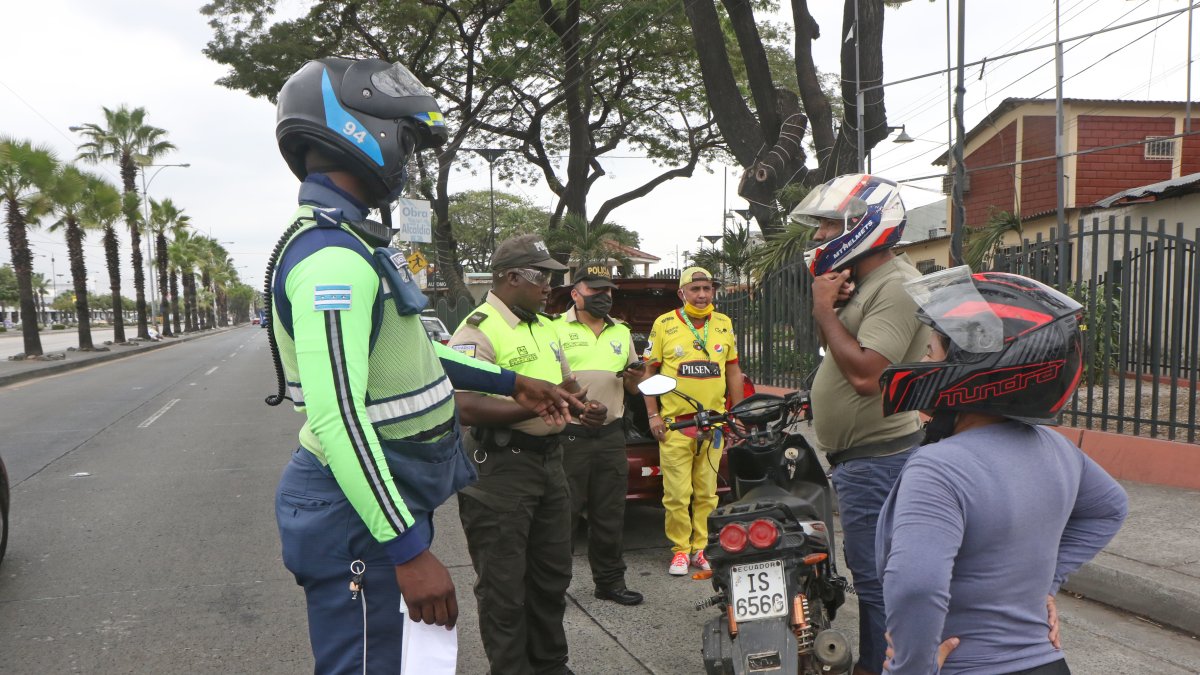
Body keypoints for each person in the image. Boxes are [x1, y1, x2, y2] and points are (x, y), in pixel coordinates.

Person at [264, 58, 576, 674]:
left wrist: (515, 381)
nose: (408, 158)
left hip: (382, 507)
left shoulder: (353, 245)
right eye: (406, 139)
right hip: (358, 523)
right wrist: (408, 550)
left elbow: (413, 353)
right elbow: (340, 420)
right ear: (359, 131)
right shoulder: (333, 262)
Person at [875, 268, 1128, 675]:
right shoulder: (1058, 449)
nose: (921, 361)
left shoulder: (939, 467)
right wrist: (1047, 584)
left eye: (932, 351)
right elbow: (1111, 507)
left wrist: (911, 668)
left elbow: (917, 586)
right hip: (1047, 663)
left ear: (973, 371)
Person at [789, 173, 930, 675]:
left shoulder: (897, 285)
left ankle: (879, 668)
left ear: (865, 226)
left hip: (879, 458)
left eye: (829, 227)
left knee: (875, 581)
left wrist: (824, 309)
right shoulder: (871, 283)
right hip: (862, 459)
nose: (820, 238)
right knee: (872, 577)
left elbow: (869, 375)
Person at [448, 234, 608, 675]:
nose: (549, 287)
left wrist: (587, 408)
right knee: (504, 586)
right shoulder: (477, 330)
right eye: (543, 277)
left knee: (551, 575)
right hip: (500, 471)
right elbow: (461, 405)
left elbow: (569, 388)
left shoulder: (544, 328)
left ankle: (551, 663)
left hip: (549, 464)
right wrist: (529, 405)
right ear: (512, 276)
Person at [643, 266, 744, 576]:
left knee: (707, 491)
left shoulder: (724, 324)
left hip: (713, 425)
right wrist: (652, 414)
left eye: (707, 289)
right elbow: (649, 372)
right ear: (682, 293)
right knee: (676, 494)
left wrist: (736, 415)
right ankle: (679, 550)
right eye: (695, 289)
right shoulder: (664, 324)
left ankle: (701, 548)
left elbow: (732, 371)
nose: (702, 295)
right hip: (676, 425)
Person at [555, 271, 644, 605]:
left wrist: (637, 377)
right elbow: (547, 382)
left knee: (609, 515)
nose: (604, 295)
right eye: (596, 289)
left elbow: (632, 388)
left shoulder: (621, 330)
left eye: (608, 290)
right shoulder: (554, 328)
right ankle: (554, 587)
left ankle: (609, 582)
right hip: (570, 435)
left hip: (610, 435)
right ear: (576, 294)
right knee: (562, 515)